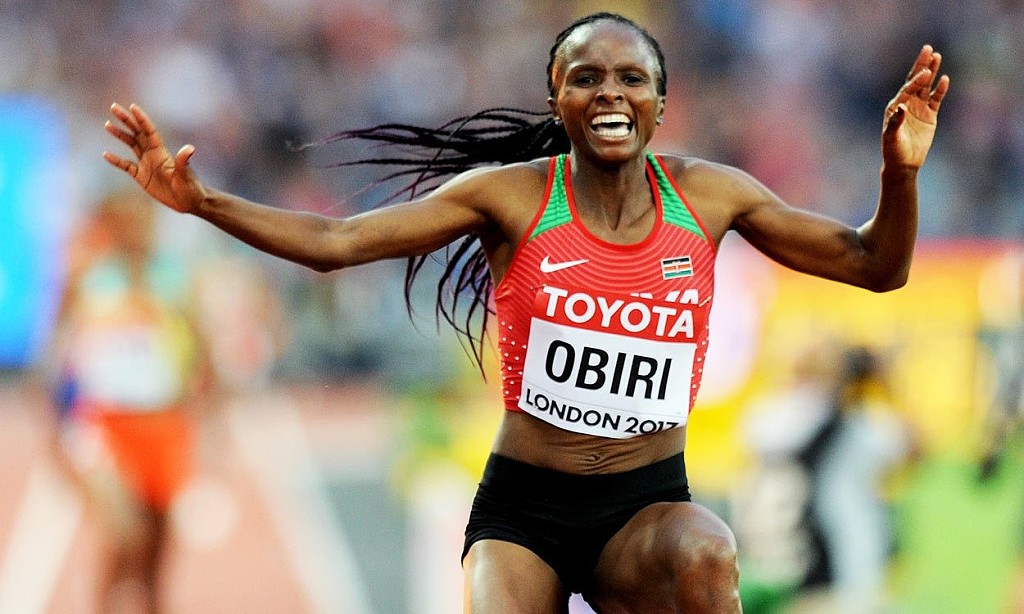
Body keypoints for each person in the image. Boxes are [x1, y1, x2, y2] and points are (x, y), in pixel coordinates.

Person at [102, 12, 948, 613]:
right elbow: (336, 241)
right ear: (556, 100)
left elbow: (875, 267)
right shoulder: (511, 198)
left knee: (707, 553)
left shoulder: (709, 196)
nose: (610, 93)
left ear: (660, 101)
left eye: (631, 78)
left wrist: (899, 174)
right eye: (586, 78)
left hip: (644, 505)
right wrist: (203, 201)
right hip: (525, 513)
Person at [44, 189, 212, 613]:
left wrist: (208, 410)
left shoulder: (174, 278)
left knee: (156, 557)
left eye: (143, 220)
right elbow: (55, 356)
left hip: (163, 422)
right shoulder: (88, 278)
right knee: (124, 532)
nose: (136, 230)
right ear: (110, 226)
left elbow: (202, 351)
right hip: (103, 422)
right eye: (125, 221)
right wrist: (54, 429)